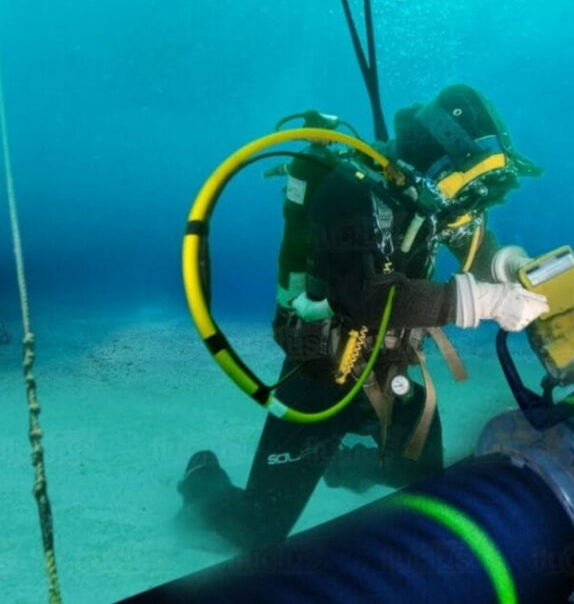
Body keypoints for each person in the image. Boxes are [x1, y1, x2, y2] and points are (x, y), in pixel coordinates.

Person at [177, 84, 550, 551]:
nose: (467, 199)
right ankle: (201, 481)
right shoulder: (347, 193)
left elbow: (475, 247)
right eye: (466, 182)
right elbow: (365, 299)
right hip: (320, 379)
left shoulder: (433, 202)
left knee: (421, 475)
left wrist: (513, 268)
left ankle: (349, 464)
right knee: (256, 530)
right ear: (440, 157)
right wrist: (490, 303)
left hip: (388, 373)